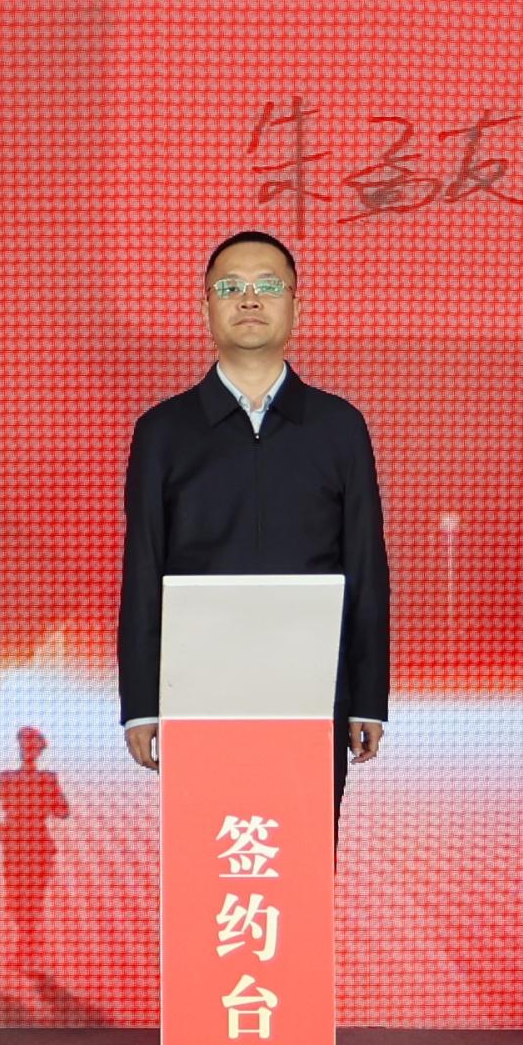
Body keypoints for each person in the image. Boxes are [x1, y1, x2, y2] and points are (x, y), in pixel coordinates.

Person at [119, 230, 392, 801]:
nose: (249, 299)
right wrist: (141, 704)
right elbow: (143, 570)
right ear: (205, 309)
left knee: (299, 850)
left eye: (268, 286)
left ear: (296, 306)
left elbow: (365, 568)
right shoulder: (163, 432)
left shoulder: (338, 427)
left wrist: (367, 697)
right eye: (230, 287)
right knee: (214, 848)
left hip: (314, 691)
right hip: (197, 692)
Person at [0, 726, 68, 983]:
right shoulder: (7, 778)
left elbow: (63, 811)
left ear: (39, 750)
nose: (28, 750)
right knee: (16, 899)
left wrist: (48, 797)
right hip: (15, 845)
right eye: (24, 745)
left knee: (32, 899)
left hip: (37, 845)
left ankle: (28, 950)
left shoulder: (47, 779)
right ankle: (27, 947)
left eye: (33, 746)